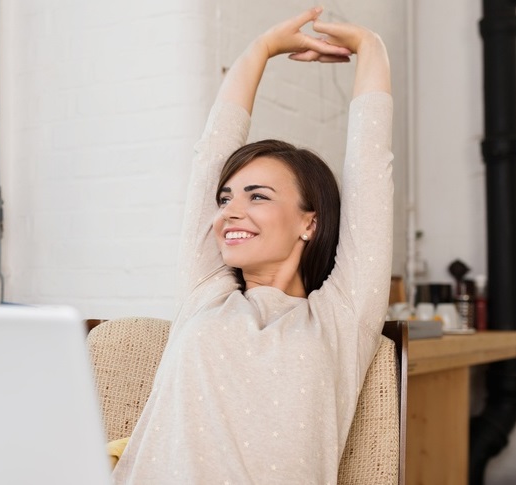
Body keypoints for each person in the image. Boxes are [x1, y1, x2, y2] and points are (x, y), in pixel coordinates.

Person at [109, 6, 393, 484]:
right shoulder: (206, 294)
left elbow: (371, 170)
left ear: (310, 222)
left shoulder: (342, 319)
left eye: (257, 196)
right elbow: (209, 158)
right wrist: (259, 49)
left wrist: (371, 47)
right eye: (225, 199)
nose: (228, 213)